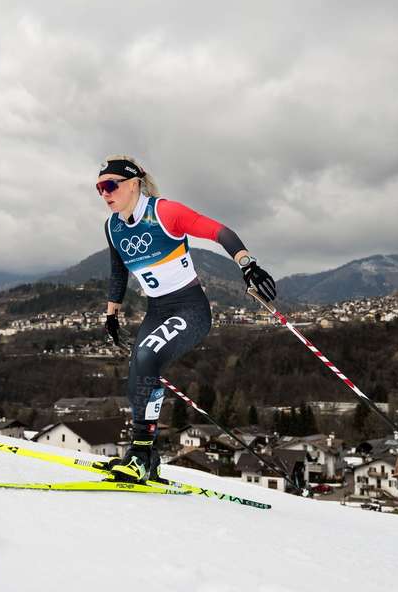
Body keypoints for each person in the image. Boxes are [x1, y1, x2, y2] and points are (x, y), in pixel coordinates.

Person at [96, 155, 276, 483]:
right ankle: (147, 459)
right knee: (138, 370)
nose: (104, 193)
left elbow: (219, 231)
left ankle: (138, 454)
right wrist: (112, 315)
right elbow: (118, 271)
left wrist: (247, 264)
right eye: (99, 188)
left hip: (189, 310)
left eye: (110, 185)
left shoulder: (164, 212)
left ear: (133, 183)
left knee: (148, 354)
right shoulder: (113, 227)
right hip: (157, 311)